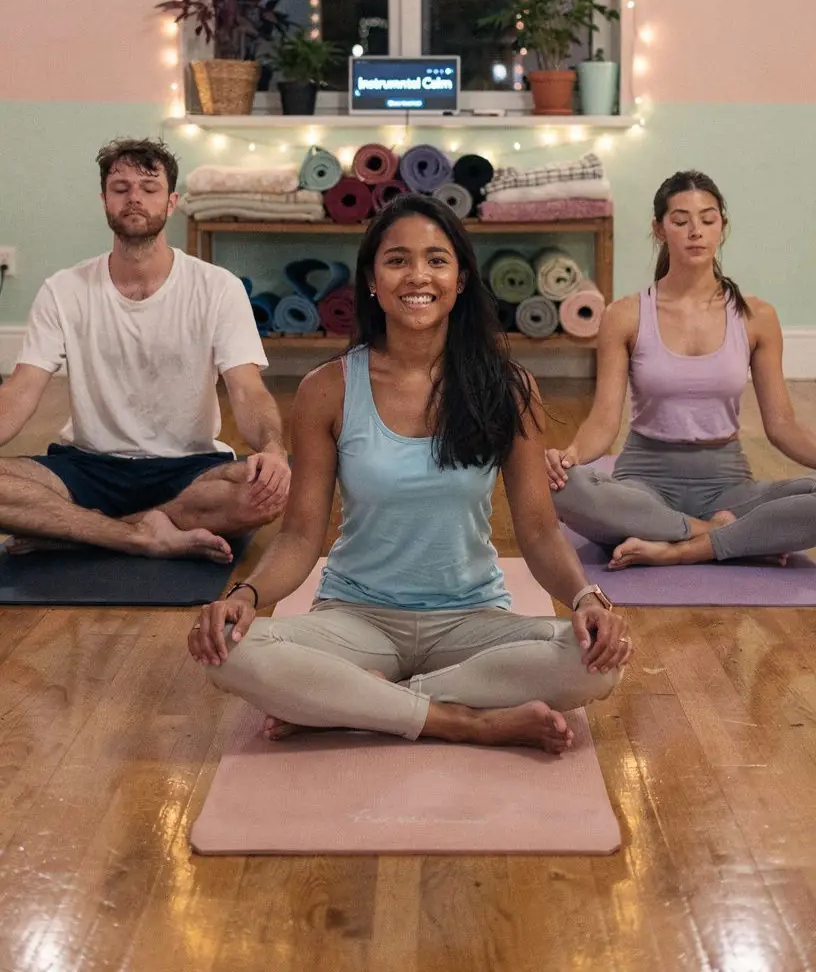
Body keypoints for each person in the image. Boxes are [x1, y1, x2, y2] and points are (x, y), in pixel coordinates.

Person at [189, 193, 631, 756]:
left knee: (597, 664)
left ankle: (356, 705)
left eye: (436, 260)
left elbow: (540, 533)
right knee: (229, 648)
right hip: (356, 619)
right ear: (372, 279)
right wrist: (245, 596)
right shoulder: (326, 389)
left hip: (470, 621)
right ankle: (461, 721)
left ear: (461, 278)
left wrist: (588, 599)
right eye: (397, 260)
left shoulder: (509, 388)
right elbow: (301, 537)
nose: (417, 275)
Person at [0, 138, 289, 561]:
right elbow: (20, 392)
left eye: (149, 188)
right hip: (86, 467)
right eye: (121, 188)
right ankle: (139, 535)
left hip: (188, 469)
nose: (134, 197)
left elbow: (247, 390)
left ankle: (74, 530)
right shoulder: (63, 290)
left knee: (265, 493)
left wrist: (274, 448)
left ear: (171, 202)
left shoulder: (217, 287)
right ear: (104, 200)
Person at [546, 169, 816, 568]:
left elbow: (782, 426)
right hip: (646, 485)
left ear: (722, 227)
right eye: (680, 220)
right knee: (563, 488)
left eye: (708, 219)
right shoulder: (625, 315)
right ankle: (722, 534)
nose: (696, 231)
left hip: (728, 487)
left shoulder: (756, 316)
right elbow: (603, 423)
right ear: (659, 229)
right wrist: (569, 457)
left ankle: (679, 547)